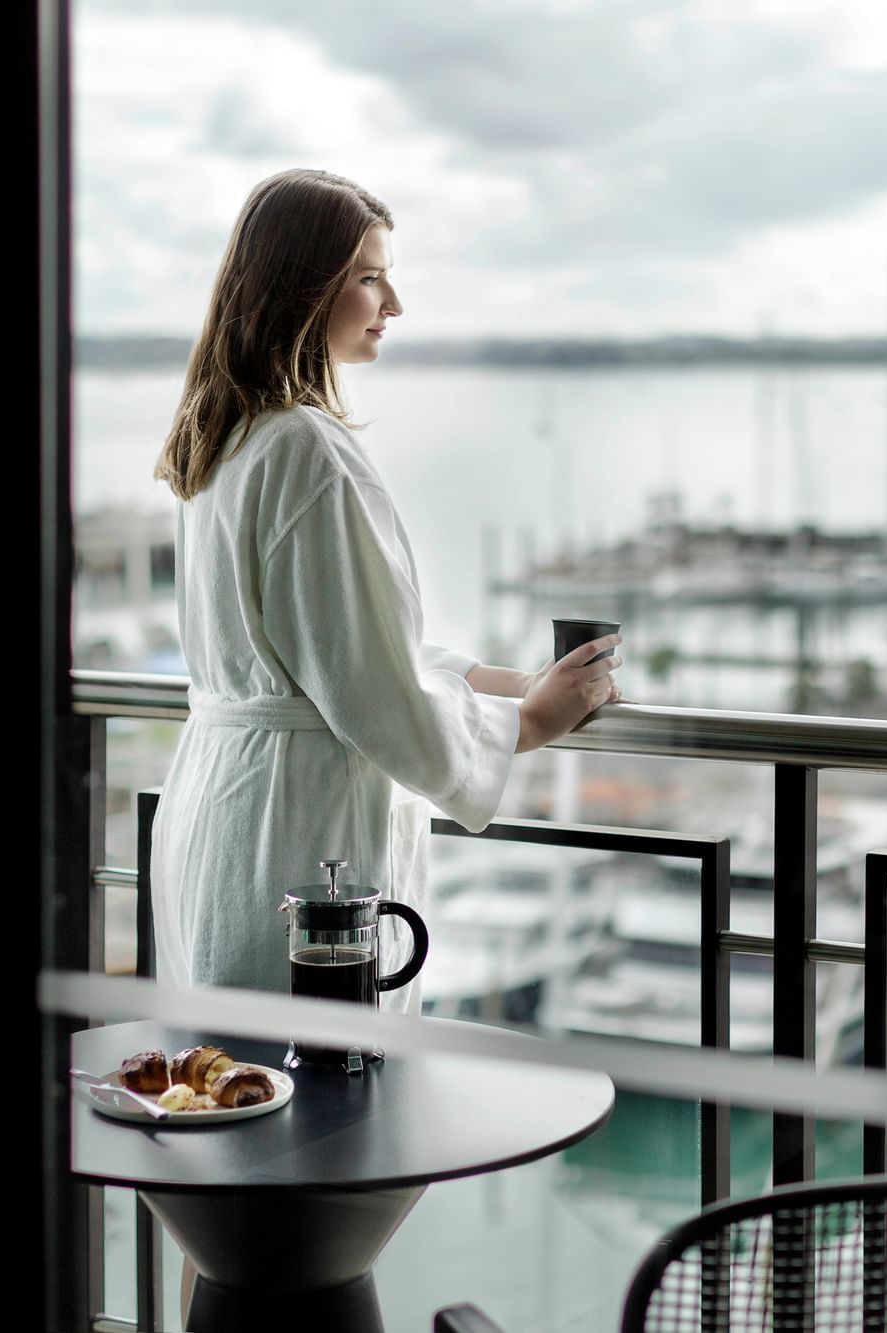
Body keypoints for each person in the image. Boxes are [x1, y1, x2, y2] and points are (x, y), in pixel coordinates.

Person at [149, 168, 620, 1007]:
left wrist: (496, 681)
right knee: (311, 1110)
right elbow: (372, 692)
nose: (393, 302)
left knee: (231, 1091)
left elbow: (323, 642)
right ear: (303, 286)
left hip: (217, 811)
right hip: (297, 840)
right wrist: (535, 719)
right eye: (370, 276)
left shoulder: (225, 439)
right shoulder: (307, 452)